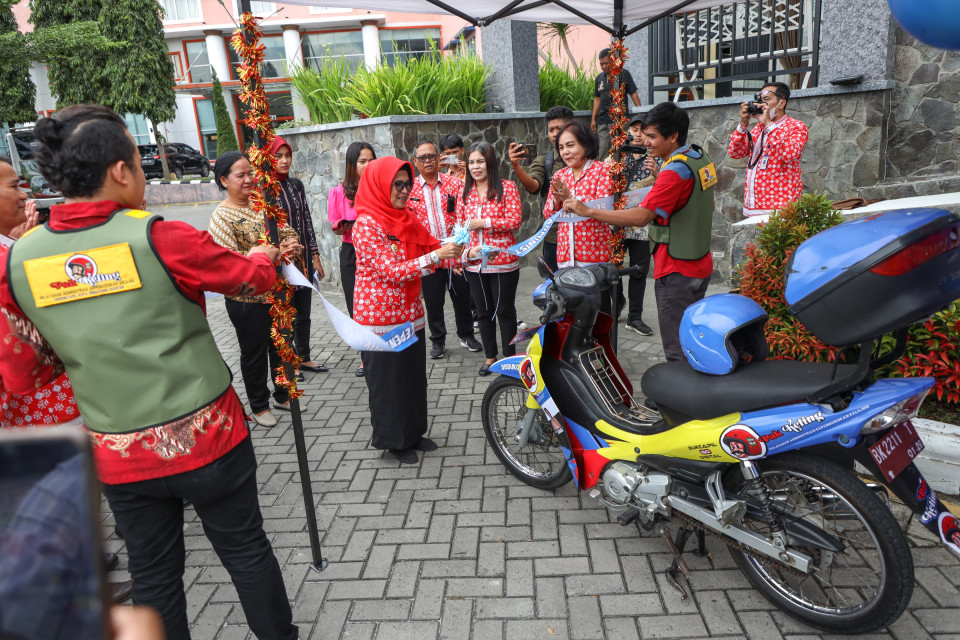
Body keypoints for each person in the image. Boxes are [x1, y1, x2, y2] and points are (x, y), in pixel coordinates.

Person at [0, 104, 297, 640]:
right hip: (209, 437)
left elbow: (25, 371)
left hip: (118, 452)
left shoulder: (19, 260)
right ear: (119, 171)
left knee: (155, 577)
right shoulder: (161, 236)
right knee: (246, 550)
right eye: (138, 163)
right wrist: (263, 256)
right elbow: (251, 282)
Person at [0, 157, 133, 606]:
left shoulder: (13, 247)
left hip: (48, 401)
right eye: (13, 185)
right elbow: (22, 351)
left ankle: (87, 558)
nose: (25, 194)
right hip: (33, 404)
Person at [565, 102, 716, 362]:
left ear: (673, 136)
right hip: (701, 264)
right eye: (644, 134)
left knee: (677, 346)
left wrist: (588, 211)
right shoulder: (699, 157)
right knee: (692, 335)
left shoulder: (673, 171)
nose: (645, 141)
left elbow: (642, 216)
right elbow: (707, 203)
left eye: (652, 136)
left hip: (676, 270)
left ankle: (677, 398)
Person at [352, 156, 463, 464]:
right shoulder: (366, 224)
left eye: (407, 185)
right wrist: (437, 255)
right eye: (396, 185)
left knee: (412, 378)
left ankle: (413, 433)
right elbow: (392, 271)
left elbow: (427, 252)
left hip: (410, 315)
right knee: (389, 382)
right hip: (380, 322)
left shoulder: (406, 217)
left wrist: (455, 250)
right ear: (379, 185)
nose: (403, 191)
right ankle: (394, 440)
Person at [209, 151, 304, 428]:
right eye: (241, 175)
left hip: (277, 292)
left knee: (281, 345)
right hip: (246, 298)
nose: (249, 179)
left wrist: (288, 246)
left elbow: (288, 231)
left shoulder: (262, 204)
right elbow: (227, 258)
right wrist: (268, 252)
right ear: (224, 180)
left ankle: (284, 394)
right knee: (254, 352)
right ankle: (259, 405)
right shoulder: (220, 216)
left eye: (250, 173)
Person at [407, 140, 482, 359]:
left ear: (439, 158)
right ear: (415, 162)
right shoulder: (410, 190)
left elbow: (464, 217)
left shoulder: (454, 184)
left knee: (462, 297)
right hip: (429, 256)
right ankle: (438, 340)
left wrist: (461, 250)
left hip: (455, 252)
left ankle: (467, 335)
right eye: (422, 158)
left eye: (431, 156)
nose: (427, 161)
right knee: (433, 301)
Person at [457, 142, 522, 376]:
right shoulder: (465, 193)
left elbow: (515, 220)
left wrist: (485, 223)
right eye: (472, 162)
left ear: (490, 162)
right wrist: (463, 255)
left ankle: (511, 359)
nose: (476, 167)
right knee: (483, 312)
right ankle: (490, 357)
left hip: (504, 262)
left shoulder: (507, 187)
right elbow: (461, 231)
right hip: (475, 265)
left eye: (480, 161)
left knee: (504, 310)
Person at [273, 135, 328, 377]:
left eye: (288, 156)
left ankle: (304, 357)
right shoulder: (262, 188)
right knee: (286, 312)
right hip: (281, 262)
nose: (285, 161)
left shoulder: (296, 185)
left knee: (304, 311)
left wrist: (315, 256)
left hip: (302, 260)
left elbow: (307, 221)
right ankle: (289, 361)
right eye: (278, 156)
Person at [327, 141, 376, 377]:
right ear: (351, 165)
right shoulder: (338, 192)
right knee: (356, 306)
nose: (367, 165)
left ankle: (382, 349)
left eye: (370, 160)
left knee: (379, 302)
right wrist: (346, 225)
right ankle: (365, 357)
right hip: (351, 251)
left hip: (377, 251)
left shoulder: (381, 188)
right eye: (362, 161)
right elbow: (335, 227)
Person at [607, 113, 658, 337]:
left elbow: (664, 186)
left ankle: (635, 317)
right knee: (611, 270)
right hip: (617, 222)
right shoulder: (616, 154)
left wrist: (657, 171)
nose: (638, 134)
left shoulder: (657, 156)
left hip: (641, 224)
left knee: (639, 270)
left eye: (642, 130)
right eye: (634, 129)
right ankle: (617, 303)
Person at [507, 105, 575, 273]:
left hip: (584, 237)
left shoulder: (589, 159)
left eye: (559, 128)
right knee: (554, 287)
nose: (554, 133)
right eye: (551, 129)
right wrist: (516, 166)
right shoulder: (545, 160)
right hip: (554, 237)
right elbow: (534, 186)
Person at [728, 81, 808, 217]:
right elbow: (735, 153)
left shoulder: (796, 127)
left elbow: (789, 154)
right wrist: (743, 123)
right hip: (753, 206)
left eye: (766, 99)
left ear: (781, 104)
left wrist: (768, 124)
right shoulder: (757, 129)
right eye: (760, 100)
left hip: (781, 208)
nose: (761, 104)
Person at [543, 121, 613, 270]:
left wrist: (570, 200)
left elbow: (605, 207)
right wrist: (556, 201)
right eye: (561, 147)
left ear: (585, 144)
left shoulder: (602, 170)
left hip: (594, 254)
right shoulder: (559, 175)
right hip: (565, 255)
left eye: (570, 145)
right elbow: (548, 215)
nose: (565, 152)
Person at [592, 47, 642, 159]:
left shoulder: (623, 74)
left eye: (606, 63)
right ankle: (604, 174)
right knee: (603, 150)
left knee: (619, 150)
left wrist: (640, 113)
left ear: (613, 61)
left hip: (619, 120)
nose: (604, 66)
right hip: (602, 120)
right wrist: (593, 119)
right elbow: (597, 99)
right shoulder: (599, 78)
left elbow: (633, 93)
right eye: (601, 64)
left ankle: (620, 175)